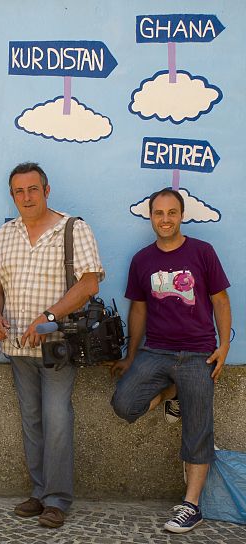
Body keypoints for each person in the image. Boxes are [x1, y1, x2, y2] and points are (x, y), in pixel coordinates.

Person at [0, 162, 104, 528]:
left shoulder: (73, 229)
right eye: (19, 191)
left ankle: (57, 499)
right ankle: (39, 493)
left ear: (46, 191)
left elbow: (89, 285)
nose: (26, 197)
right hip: (19, 349)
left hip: (57, 348)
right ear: (12, 195)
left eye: (33, 189)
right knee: (32, 422)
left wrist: (48, 317)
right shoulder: (5, 234)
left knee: (56, 420)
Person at [110, 188, 231, 534]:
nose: (165, 219)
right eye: (158, 213)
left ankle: (191, 505)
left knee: (198, 426)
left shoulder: (202, 252)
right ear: (151, 217)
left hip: (197, 353)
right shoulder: (142, 259)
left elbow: (220, 301)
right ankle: (169, 394)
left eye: (171, 213)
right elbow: (139, 309)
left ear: (181, 215)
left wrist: (223, 348)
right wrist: (131, 356)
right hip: (156, 351)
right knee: (123, 403)